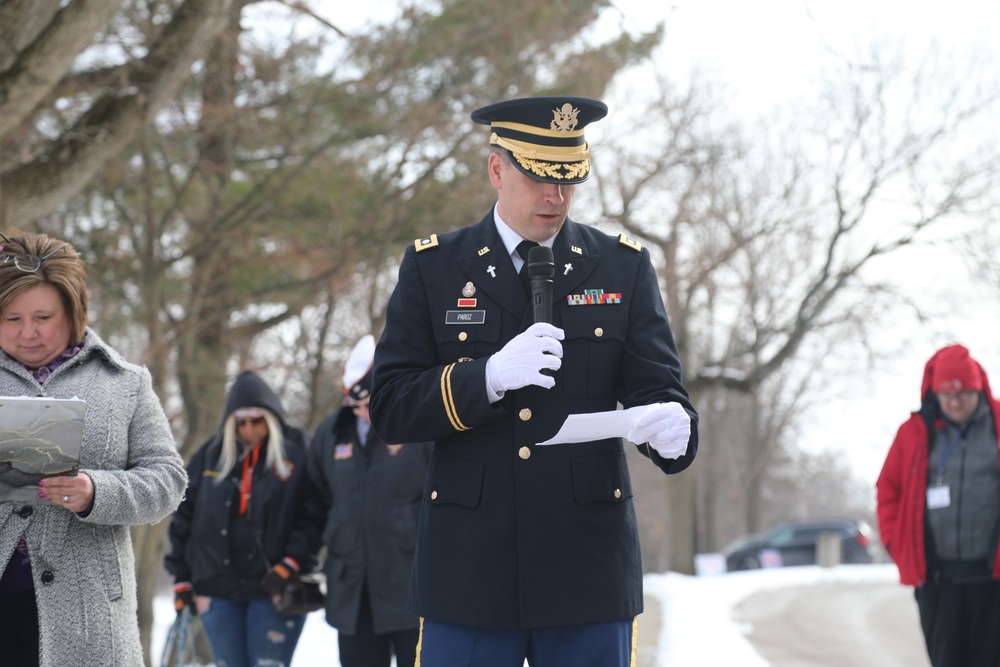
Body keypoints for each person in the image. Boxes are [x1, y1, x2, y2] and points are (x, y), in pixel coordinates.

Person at [368, 96, 699, 666]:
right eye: (541, 177)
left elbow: (658, 391)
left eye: (570, 179)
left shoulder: (621, 267)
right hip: (469, 572)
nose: (556, 197)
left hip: (586, 569)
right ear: (497, 170)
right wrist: (487, 377)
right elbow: (392, 406)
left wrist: (674, 431)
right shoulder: (434, 267)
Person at [0, 230, 187, 667]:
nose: (28, 333)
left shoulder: (125, 382)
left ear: (74, 311)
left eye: (43, 317)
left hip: (88, 619)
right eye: (11, 319)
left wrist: (96, 492)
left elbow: (168, 479)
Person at [165, 369, 325, 667]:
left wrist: (291, 562)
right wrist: (182, 578)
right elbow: (183, 517)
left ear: (271, 417)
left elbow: (315, 512)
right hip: (217, 590)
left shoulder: (298, 450)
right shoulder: (209, 457)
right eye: (241, 422)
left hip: (275, 588)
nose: (249, 429)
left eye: (257, 421)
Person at [308, 334, 432, 667]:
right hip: (353, 591)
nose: (364, 412)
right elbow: (315, 504)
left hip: (412, 587)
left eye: (369, 402)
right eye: (356, 404)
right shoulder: (331, 434)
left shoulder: (420, 425)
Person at [876, 344, 1000, 667]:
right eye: (947, 395)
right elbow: (888, 489)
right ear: (935, 393)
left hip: (994, 582)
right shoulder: (913, 434)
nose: (955, 402)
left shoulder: (997, 427)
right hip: (938, 582)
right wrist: (895, 542)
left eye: (964, 394)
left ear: (979, 389)